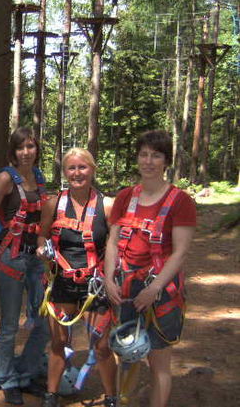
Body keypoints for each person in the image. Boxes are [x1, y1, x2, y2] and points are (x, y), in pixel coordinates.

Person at [104, 130, 195, 407]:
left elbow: (179, 253)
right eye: (144, 154)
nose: (149, 161)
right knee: (127, 352)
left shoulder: (180, 201)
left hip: (160, 291)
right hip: (126, 286)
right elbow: (113, 241)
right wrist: (108, 279)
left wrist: (155, 289)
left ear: (166, 160)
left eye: (156, 155)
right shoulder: (125, 197)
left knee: (158, 361)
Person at [37, 148, 117, 407]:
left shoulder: (107, 205)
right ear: (65, 173)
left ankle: (111, 396)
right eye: (71, 168)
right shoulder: (54, 203)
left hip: (95, 285)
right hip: (62, 282)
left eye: (82, 167)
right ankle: (51, 394)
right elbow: (43, 233)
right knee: (59, 341)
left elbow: (116, 244)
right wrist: (42, 248)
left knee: (102, 346)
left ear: (93, 170)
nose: (77, 173)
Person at [0, 127, 50, 405]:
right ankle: (8, 378)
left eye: (31, 147)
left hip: (36, 259)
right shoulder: (5, 179)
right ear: (13, 152)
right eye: (21, 148)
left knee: (43, 321)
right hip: (11, 258)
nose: (26, 152)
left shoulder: (40, 178)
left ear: (36, 150)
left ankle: (27, 372)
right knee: (9, 324)